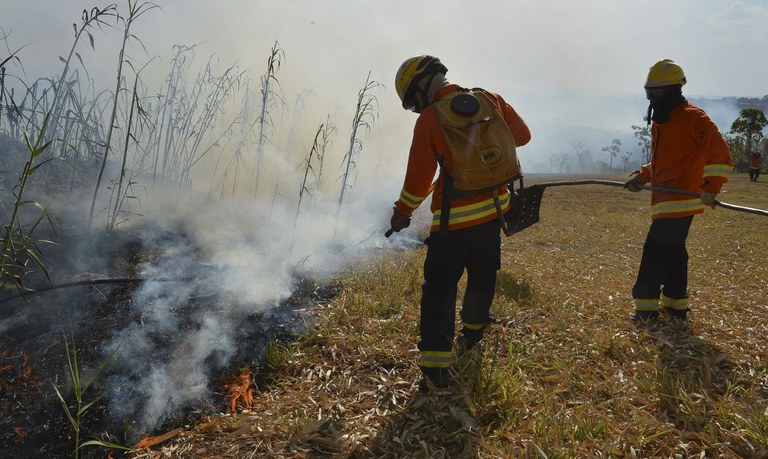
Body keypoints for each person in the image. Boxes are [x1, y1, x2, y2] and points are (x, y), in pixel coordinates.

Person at [388, 55, 531, 389]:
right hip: (493, 214)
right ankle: (473, 332)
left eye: (412, 102)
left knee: (439, 291)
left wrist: (402, 214)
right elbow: (522, 136)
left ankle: (436, 368)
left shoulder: (429, 120)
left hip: (452, 225)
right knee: (482, 277)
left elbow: (418, 181)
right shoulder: (489, 100)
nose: (414, 109)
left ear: (420, 88)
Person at [625, 59, 733, 322]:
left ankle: (646, 311)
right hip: (664, 200)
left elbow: (720, 155)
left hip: (681, 201)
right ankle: (676, 305)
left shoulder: (694, 118)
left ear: (674, 90)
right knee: (674, 252)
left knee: (654, 251)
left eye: (658, 92)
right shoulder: (661, 122)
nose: (652, 98)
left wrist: (712, 188)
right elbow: (664, 161)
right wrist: (642, 176)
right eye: (650, 93)